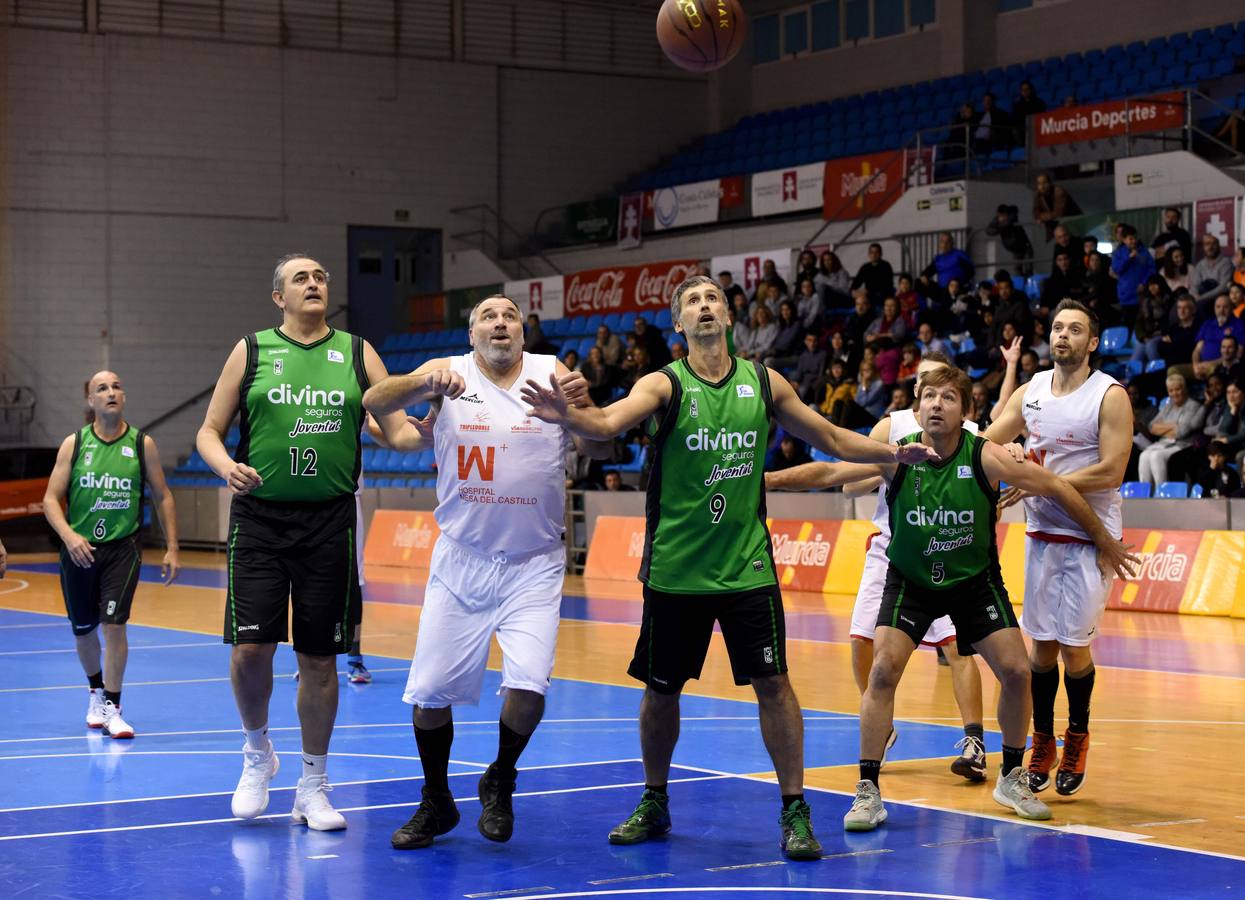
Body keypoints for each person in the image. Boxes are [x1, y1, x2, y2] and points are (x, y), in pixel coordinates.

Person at [520, 275, 928, 862]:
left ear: (730, 317)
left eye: (713, 298)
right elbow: (608, 426)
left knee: (775, 686)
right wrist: (570, 413)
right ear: (679, 326)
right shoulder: (664, 383)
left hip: (747, 569)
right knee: (661, 692)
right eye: (692, 302)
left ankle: (794, 809)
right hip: (675, 572)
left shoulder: (764, 382)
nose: (705, 307)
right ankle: (655, 799)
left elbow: (834, 436)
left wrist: (891, 451)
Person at [833, 365, 1136, 828]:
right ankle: (867, 789)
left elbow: (1055, 485)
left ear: (966, 413)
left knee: (1017, 671)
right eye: (929, 396)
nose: (936, 404)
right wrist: (767, 480)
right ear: (918, 405)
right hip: (912, 578)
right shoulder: (899, 453)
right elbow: (833, 468)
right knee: (881, 670)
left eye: (948, 398)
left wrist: (1104, 538)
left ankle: (1011, 775)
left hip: (973, 581)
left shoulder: (986, 455)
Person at [363, 294, 604, 850]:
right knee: (427, 698)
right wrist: (426, 387)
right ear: (472, 336)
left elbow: (604, 441)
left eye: (510, 316)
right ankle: (436, 800)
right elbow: (375, 398)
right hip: (462, 560)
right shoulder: (446, 373)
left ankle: (500, 776)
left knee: (529, 689)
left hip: (534, 563)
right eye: (488, 318)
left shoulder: (551, 373)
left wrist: (582, 407)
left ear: (522, 331)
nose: (500, 323)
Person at [197, 254, 409, 830]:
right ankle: (256, 751)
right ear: (278, 297)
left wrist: (436, 414)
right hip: (260, 520)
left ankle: (312, 784)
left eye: (320, 278)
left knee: (319, 661)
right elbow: (209, 432)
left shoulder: (360, 352)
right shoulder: (253, 349)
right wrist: (224, 467)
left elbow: (399, 432)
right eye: (301, 278)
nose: (314, 284)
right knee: (250, 652)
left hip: (329, 522)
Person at [766, 350, 1021, 788]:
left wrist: (1014, 449)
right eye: (926, 387)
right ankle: (879, 730)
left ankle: (975, 741)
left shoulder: (969, 435)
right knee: (866, 649)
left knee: (960, 650)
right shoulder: (892, 427)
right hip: (892, 551)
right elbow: (846, 479)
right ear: (916, 393)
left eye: (944, 390)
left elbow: (1004, 436)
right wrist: (886, 469)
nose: (935, 399)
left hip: (951, 554)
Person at [983, 301, 1134, 799]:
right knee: (1040, 647)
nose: (1063, 335)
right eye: (1057, 328)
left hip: (1090, 537)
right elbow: (987, 442)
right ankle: (1043, 741)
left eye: (1075, 329)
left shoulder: (1108, 395)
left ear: (1093, 343)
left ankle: (1078, 738)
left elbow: (1112, 470)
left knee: (1074, 648)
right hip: (1041, 535)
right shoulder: (1031, 392)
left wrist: (1041, 481)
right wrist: (1007, 458)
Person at [42, 371, 180, 740]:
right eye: (101, 388)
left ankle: (114, 707)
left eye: (117, 385)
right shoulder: (74, 444)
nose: (111, 392)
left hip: (123, 548)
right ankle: (95, 691)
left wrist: (172, 547)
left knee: (114, 624)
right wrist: (69, 536)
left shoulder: (141, 444)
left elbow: (163, 494)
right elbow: (50, 500)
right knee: (84, 629)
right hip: (79, 549)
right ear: (91, 401)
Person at [1135, 375, 1205, 488]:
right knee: (1144, 455)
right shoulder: (1169, 406)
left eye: (1178, 389)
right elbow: (1152, 427)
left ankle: (1161, 492)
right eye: (1171, 391)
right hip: (1164, 443)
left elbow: (1181, 432)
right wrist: (1173, 426)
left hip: (1183, 444)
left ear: (1184, 389)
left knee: (1156, 456)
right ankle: (1146, 494)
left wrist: (1163, 428)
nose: (1174, 394)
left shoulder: (1193, 406)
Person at [1110, 225, 1154, 312]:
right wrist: (1129, 258)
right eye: (1130, 239)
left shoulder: (1144, 251)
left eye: (1135, 238)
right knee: (1128, 321)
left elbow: (1151, 268)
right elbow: (1116, 269)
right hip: (1126, 295)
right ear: (1124, 240)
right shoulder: (1118, 253)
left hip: (1143, 294)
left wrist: (1144, 283)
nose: (1133, 241)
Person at [1032, 174, 1081, 243]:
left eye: (1044, 183)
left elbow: (1058, 213)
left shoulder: (1058, 191)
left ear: (1050, 183)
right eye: (1039, 184)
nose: (1042, 186)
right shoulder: (1038, 195)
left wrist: (1041, 217)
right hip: (1058, 225)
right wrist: (1040, 217)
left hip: (1071, 222)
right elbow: (1036, 212)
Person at [1192, 234, 1234, 307]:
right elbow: (1195, 285)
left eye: (1213, 243)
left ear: (1218, 246)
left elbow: (1223, 288)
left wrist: (1202, 298)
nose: (1210, 247)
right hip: (1201, 301)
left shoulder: (1226, 262)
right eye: (1207, 244)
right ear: (1203, 247)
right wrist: (1195, 296)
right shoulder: (1200, 264)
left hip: (1219, 300)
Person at [1011, 81, 1047, 145]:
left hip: (1035, 127)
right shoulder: (1017, 105)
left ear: (1031, 90)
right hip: (1023, 129)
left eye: (1026, 89)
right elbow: (1016, 120)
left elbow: (1042, 118)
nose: (1025, 91)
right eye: (1022, 90)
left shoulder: (1039, 103)